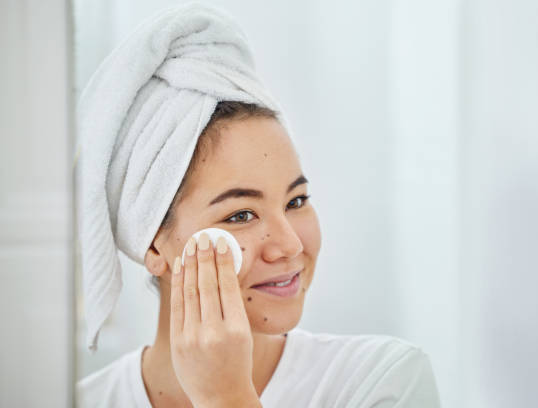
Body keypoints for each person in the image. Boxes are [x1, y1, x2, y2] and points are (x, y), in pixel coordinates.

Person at [76, 3, 440, 407]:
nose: (289, 245)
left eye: (296, 200)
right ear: (155, 246)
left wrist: (226, 397)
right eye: (241, 215)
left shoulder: (380, 380)